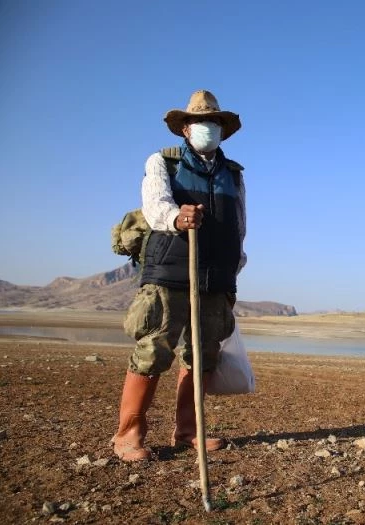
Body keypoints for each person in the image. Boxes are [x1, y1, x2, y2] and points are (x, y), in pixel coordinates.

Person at [111, 90, 246, 461]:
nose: (209, 128)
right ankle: (129, 435)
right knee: (153, 349)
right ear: (185, 128)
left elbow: (239, 223)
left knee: (202, 354)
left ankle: (188, 430)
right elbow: (155, 206)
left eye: (214, 122)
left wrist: (235, 260)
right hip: (170, 268)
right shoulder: (163, 162)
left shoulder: (233, 174)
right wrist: (176, 218)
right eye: (201, 122)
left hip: (215, 275)